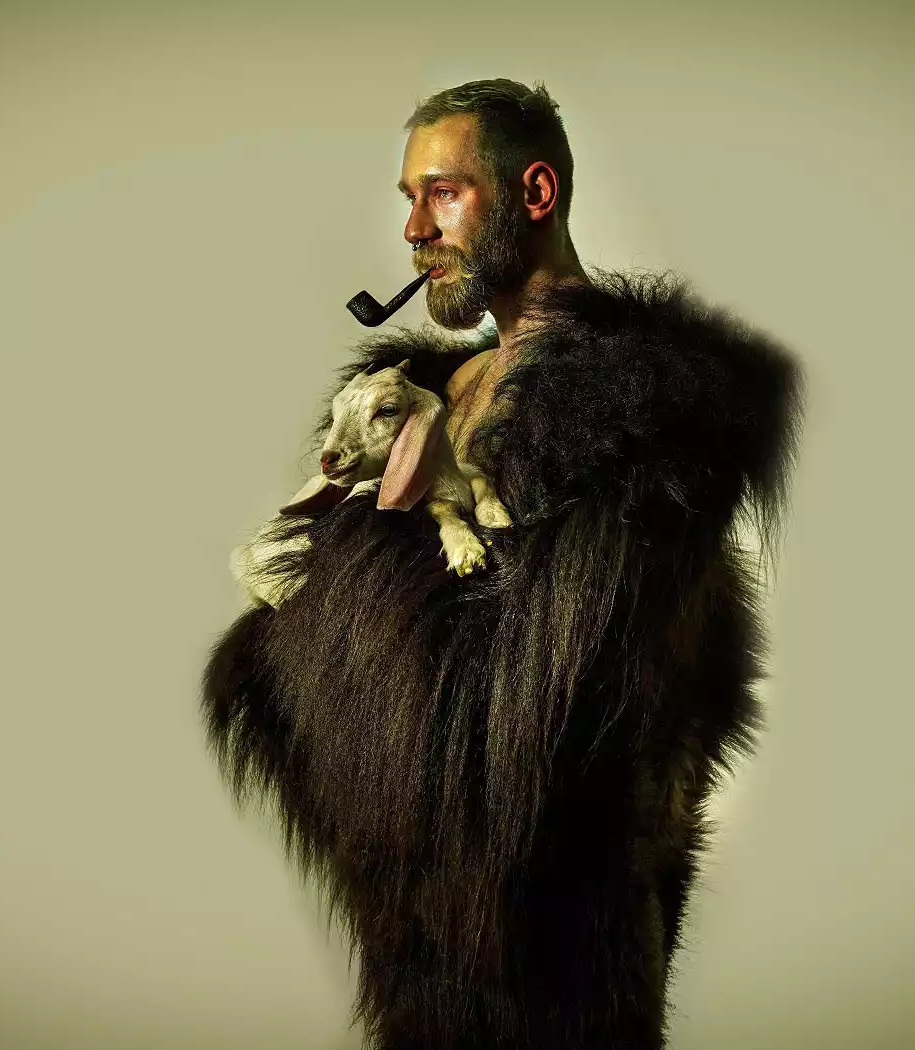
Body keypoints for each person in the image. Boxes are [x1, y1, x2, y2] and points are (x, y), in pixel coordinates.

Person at [204, 78, 802, 1049]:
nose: (415, 230)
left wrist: (342, 587)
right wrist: (281, 599)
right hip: (415, 938)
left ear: (533, 194)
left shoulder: (654, 400)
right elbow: (335, 692)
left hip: (563, 944)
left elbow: (555, 682)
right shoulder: (421, 391)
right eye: (409, 200)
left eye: (443, 194)